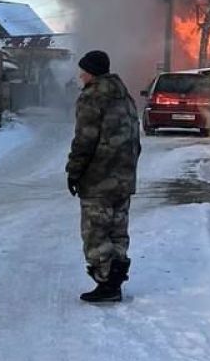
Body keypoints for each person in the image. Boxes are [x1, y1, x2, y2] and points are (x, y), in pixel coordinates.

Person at [66, 50, 141, 304]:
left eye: (83, 71)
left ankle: (106, 281)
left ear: (93, 72)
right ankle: (114, 281)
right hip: (124, 179)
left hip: (99, 180)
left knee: (96, 232)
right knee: (118, 230)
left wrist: (74, 171)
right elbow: (135, 140)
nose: (80, 75)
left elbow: (84, 140)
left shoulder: (92, 97)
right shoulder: (125, 97)